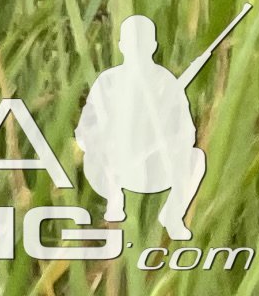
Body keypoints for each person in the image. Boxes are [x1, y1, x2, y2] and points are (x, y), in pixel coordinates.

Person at [77, 17, 210, 240]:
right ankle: (114, 210)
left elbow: (188, 133)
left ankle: (173, 216)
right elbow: (84, 133)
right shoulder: (108, 81)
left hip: (155, 167)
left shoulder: (166, 82)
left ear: (153, 47)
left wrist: (164, 139)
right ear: (121, 46)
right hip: (112, 169)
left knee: (197, 159)